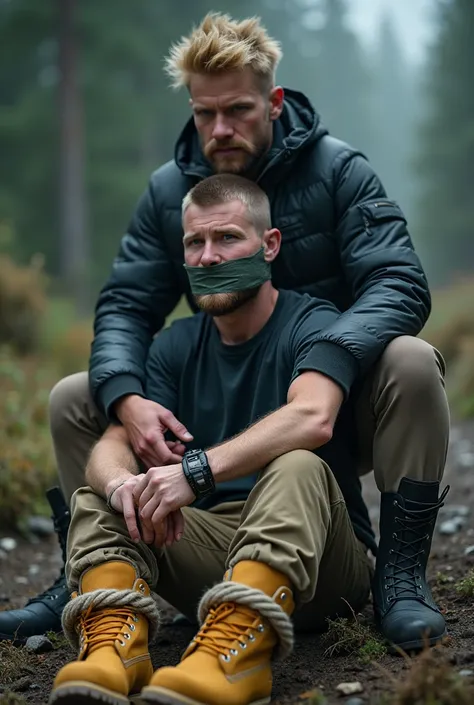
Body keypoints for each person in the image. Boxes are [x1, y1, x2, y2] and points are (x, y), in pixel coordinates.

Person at [0, 13, 450, 652]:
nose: (220, 129)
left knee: (408, 359)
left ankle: (401, 576)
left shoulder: (341, 172)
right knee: (79, 396)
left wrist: (332, 358)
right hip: (221, 410)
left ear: (274, 101)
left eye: (237, 110)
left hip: (336, 400)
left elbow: (399, 282)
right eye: (205, 113)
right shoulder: (167, 193)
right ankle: (90, 570)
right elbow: (127, 302)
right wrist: (129, 400)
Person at [51, 174, 380, 705]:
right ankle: (116, 651)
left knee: (298, 464)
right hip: (213, 552)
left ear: (269, 246)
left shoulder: (315, 321)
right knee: (97, 495)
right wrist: (120, 489)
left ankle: (237, 661)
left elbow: (313, 417)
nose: (208, 257)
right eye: (194, 243)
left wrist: (194, 472)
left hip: (324, 563)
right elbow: (114, 443)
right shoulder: (175, 346)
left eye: (227, 238)